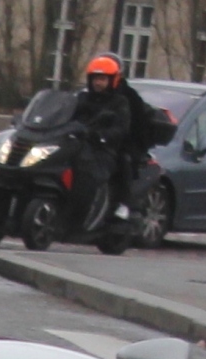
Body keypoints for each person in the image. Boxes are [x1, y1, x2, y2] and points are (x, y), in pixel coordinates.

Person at [72, 54, 172, 235]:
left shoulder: (125, 98)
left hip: (123, 142)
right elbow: (70, 113)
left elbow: (131, 124)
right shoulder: (84, 97)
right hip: (88, 141)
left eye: (103, 78)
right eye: (95, 78)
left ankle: (122, 205)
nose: (98, 83)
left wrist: (110, 136)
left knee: (123, 162)